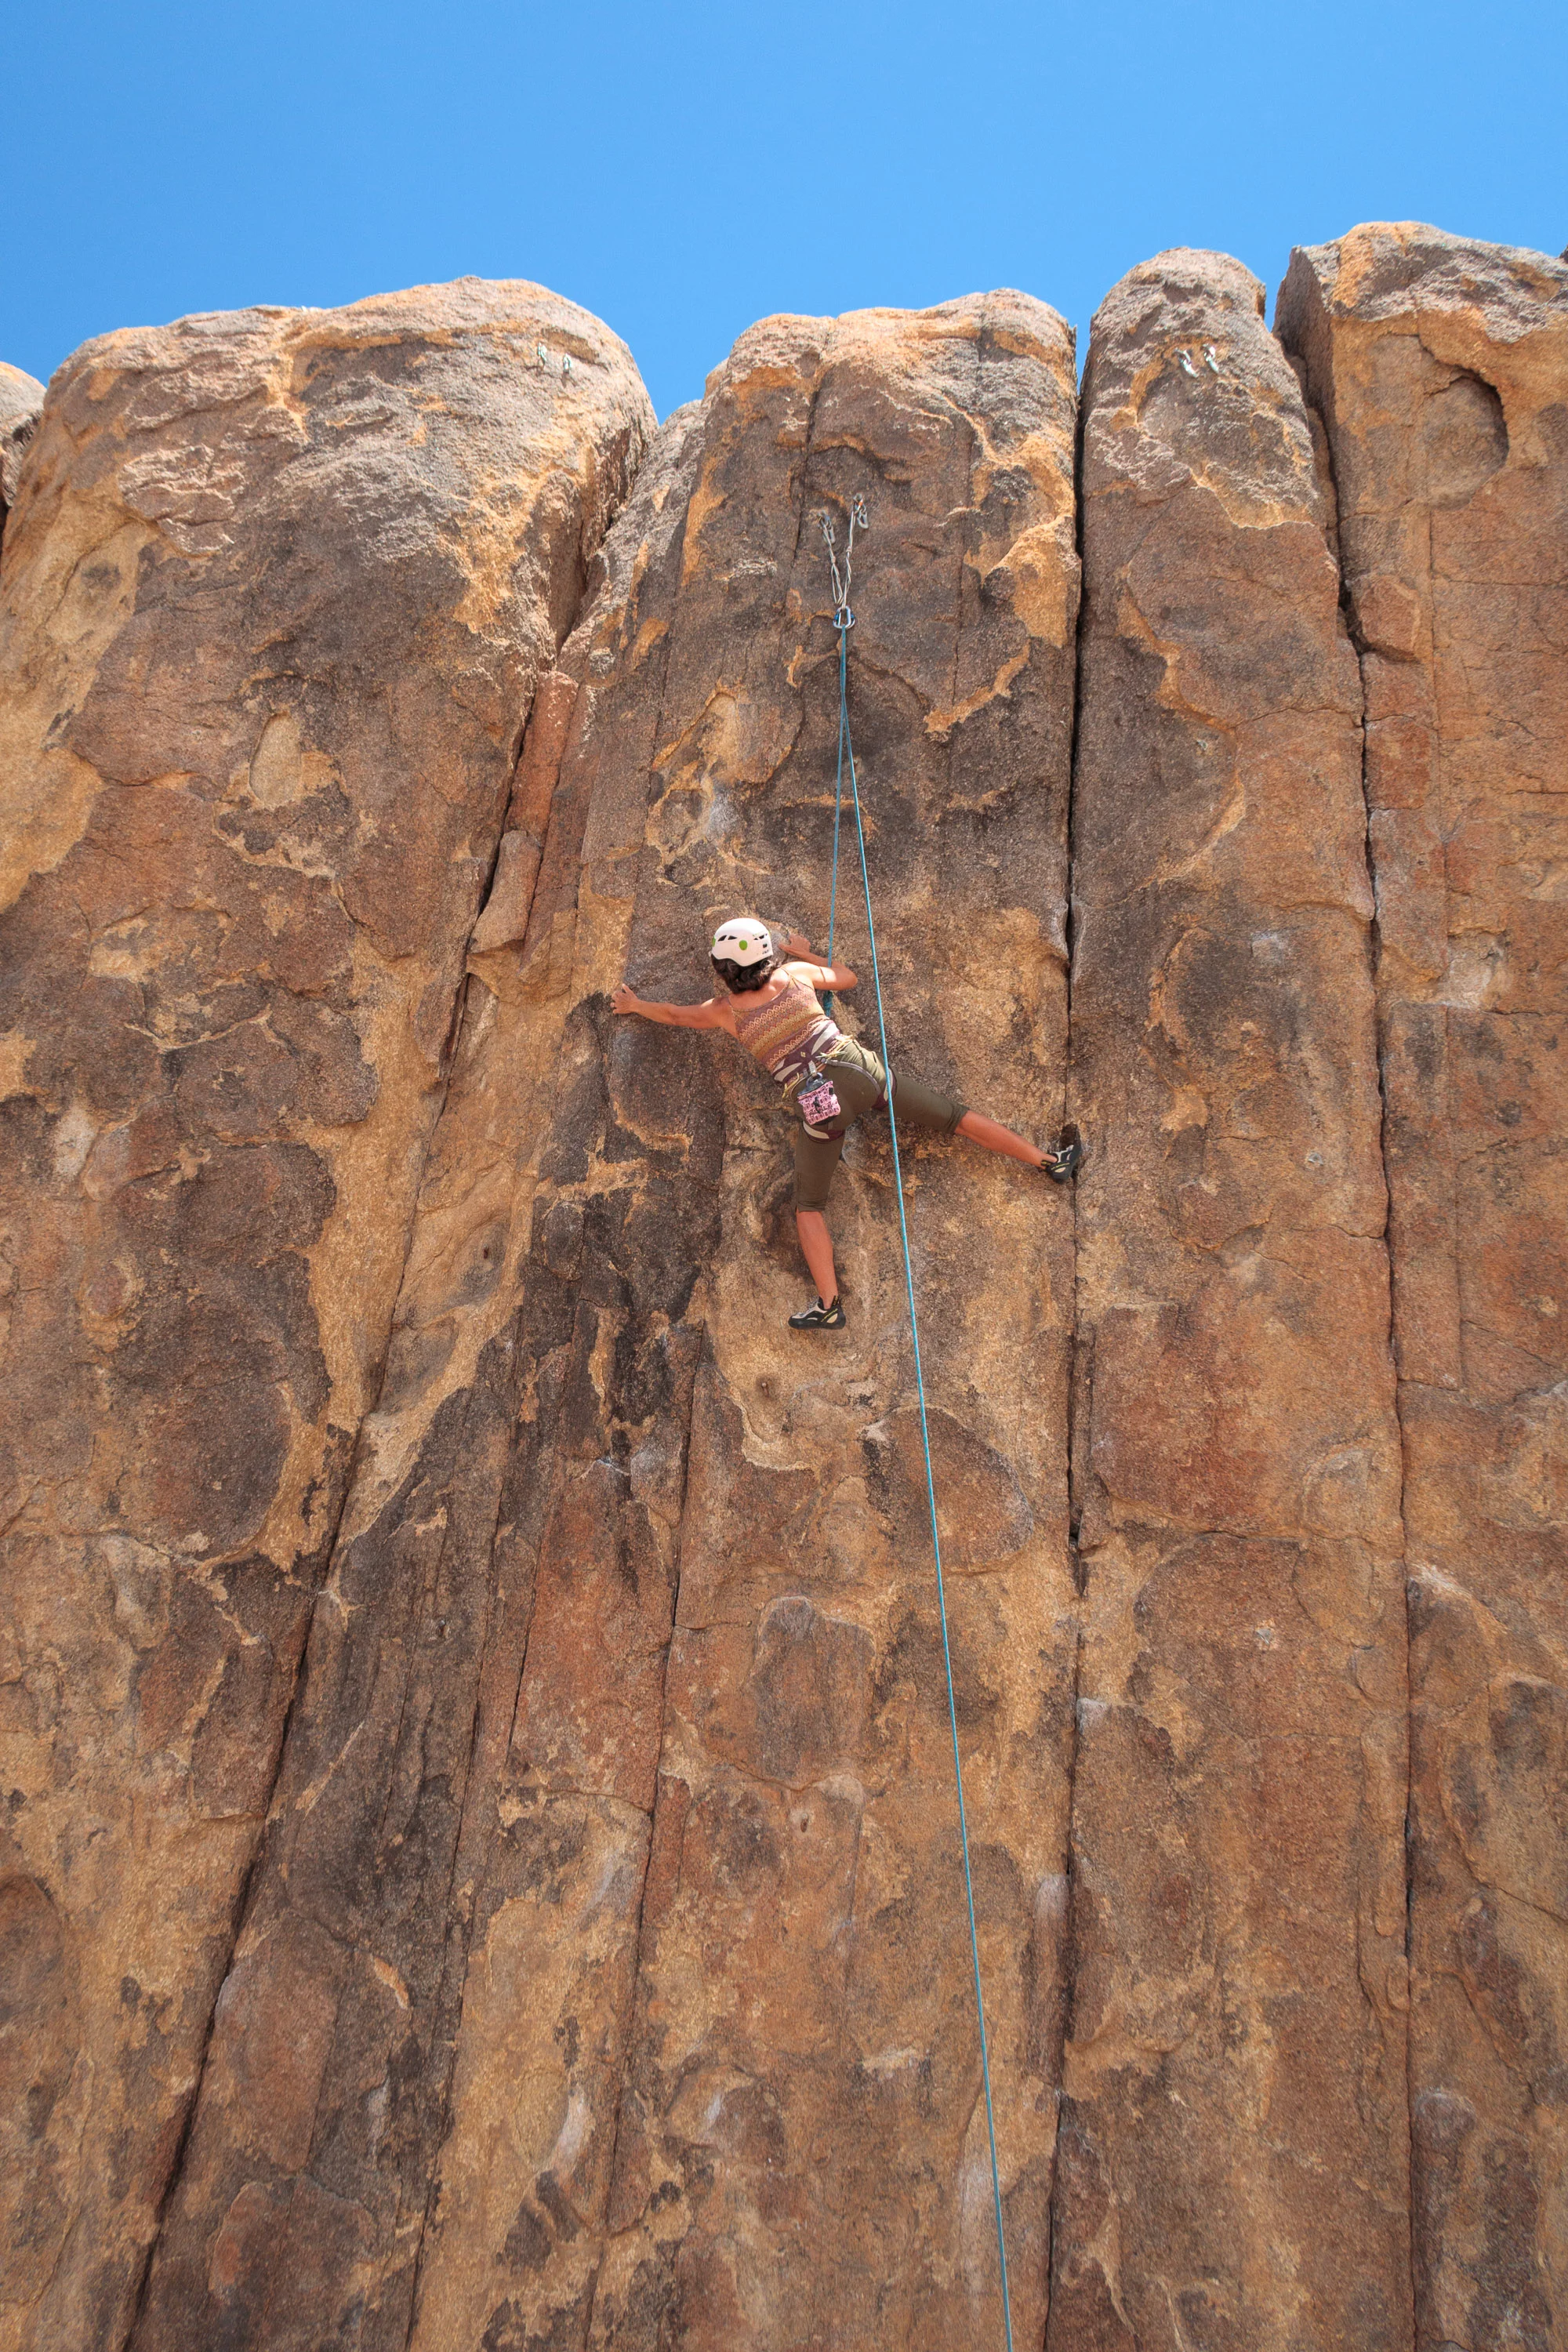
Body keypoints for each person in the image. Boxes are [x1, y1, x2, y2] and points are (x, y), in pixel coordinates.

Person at [611, 917, 1083, 1332]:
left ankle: (830, 1305)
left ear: (722, 970)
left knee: (809, 1206)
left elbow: (674, 1015)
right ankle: (1048, 1161)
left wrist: (636, 1006)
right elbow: (847, 978)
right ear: (768, 957)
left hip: (820, 1104)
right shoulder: (795, 975)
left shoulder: (724, 1012)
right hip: (861, 1073)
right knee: (955, 1119)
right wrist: (803, 952)